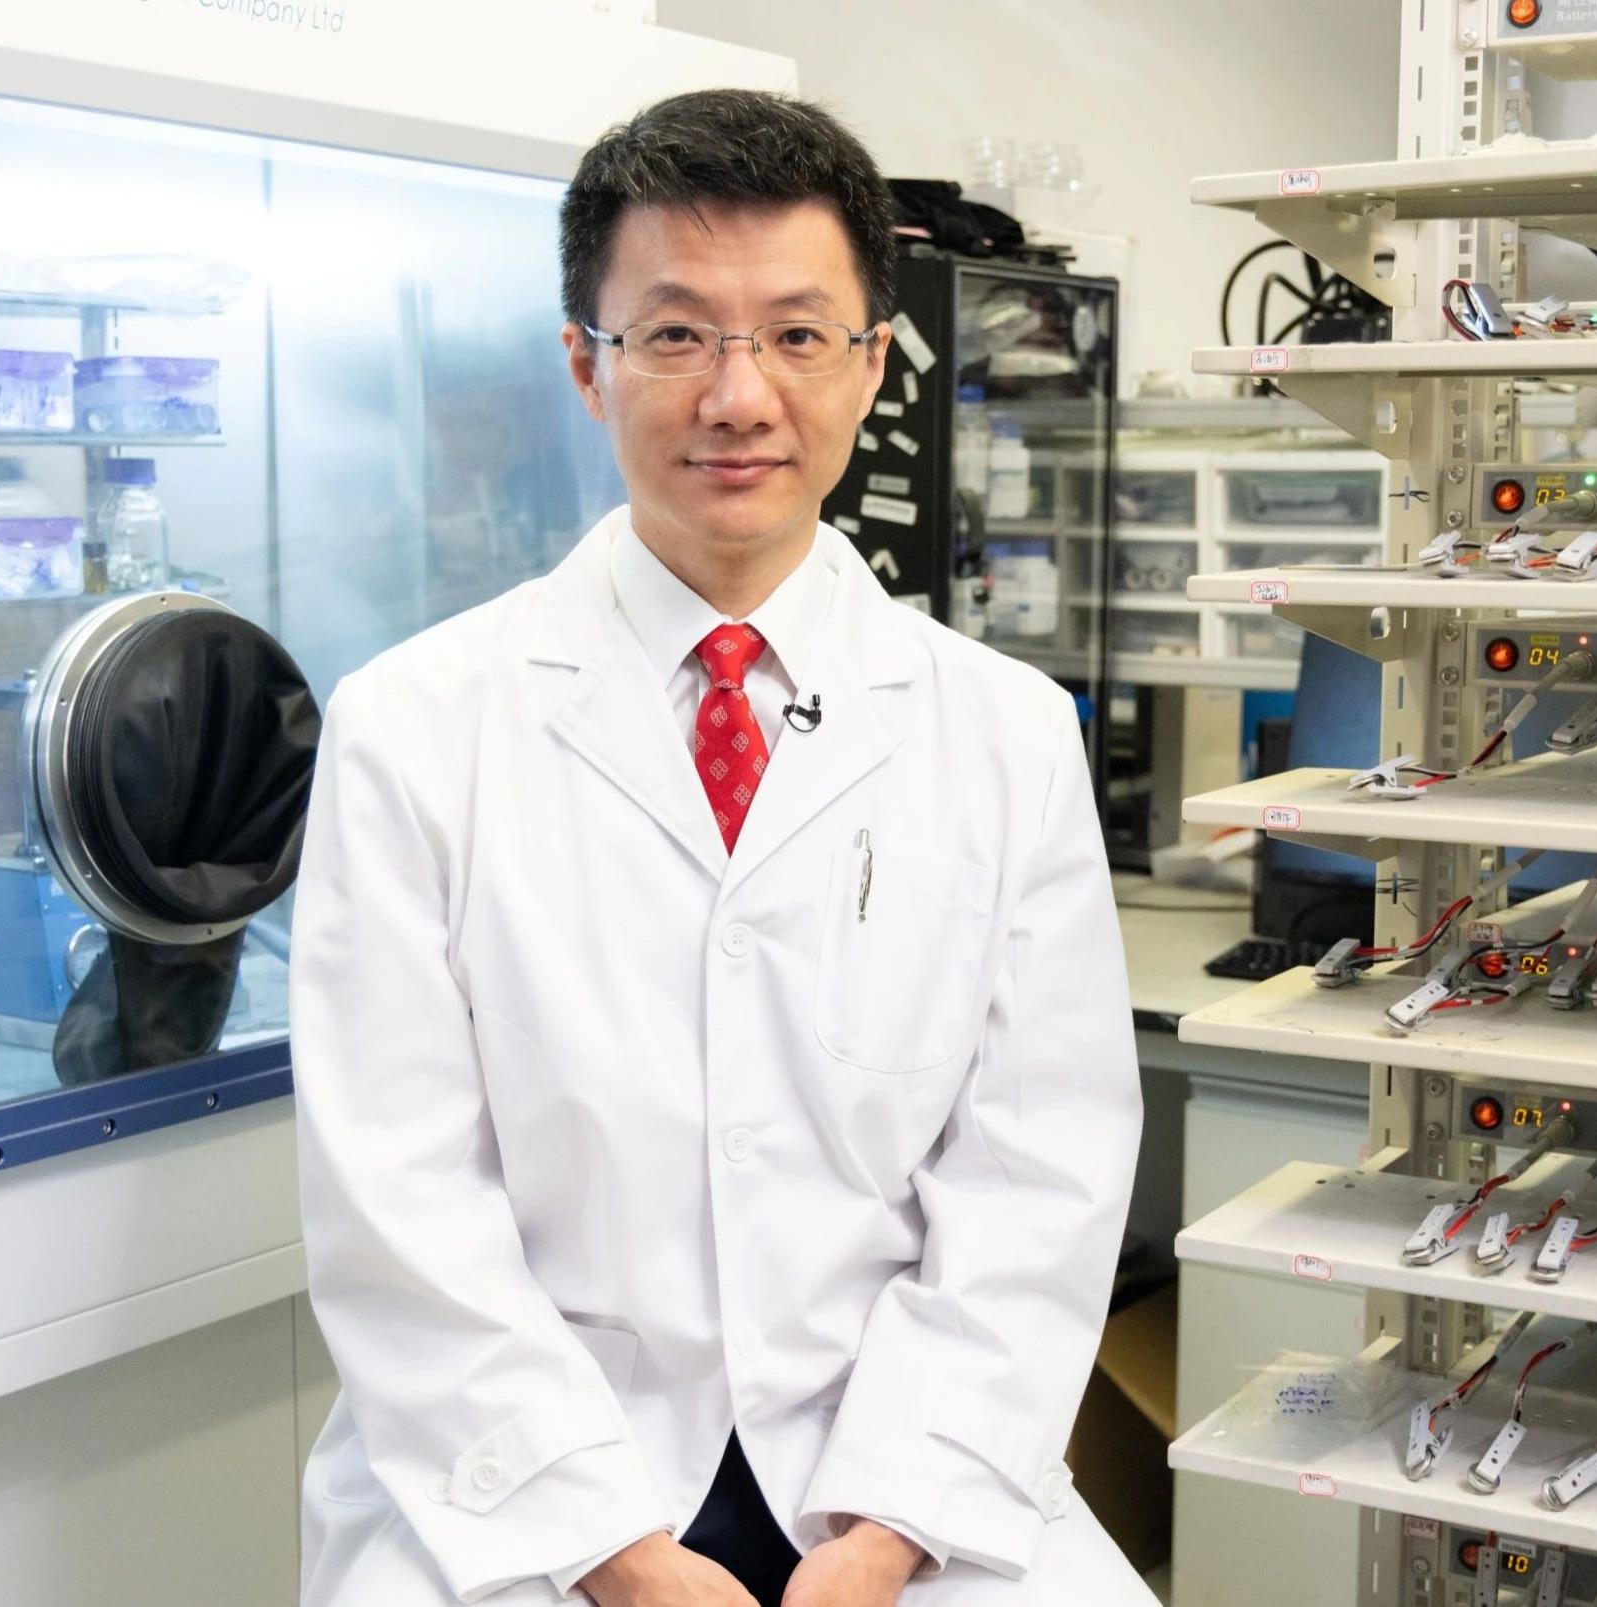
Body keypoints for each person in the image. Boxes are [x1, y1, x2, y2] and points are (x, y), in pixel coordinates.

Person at [291, 89, 1152, 1607]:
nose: (739, 397)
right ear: (587, 364)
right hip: (525, 1478)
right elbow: (399, 1198)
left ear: (871, 363)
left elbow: (1041, 1172)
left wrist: (891, 1529)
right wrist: (612, 1554)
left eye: (797, 335)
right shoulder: (412, 726)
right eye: (677, 335)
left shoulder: (1006, 733)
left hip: (896, 1458)